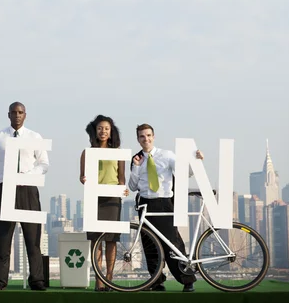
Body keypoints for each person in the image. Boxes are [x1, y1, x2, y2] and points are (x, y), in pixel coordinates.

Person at [128, 123, 203, 293]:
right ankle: (156, 282)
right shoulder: (136, 159)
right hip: (145, 204)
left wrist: (197, 160)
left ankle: (187, 280)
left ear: (153, 137)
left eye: (148, 135)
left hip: (164, 203)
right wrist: (137, 167)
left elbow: (185, 172)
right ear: (138, 140)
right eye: (142, 136)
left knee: (173, 244)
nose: (145, 139)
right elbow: (132, 186)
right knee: (149, 245)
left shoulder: (167, 155)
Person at [0, 102, 49, 291]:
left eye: (20, 112)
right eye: (14, 112)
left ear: (25, 115)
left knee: (33, 238)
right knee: (3, 238)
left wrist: (27, 176)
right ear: (8, 115)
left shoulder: (34, 137)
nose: (17, 115)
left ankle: (37, 280)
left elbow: (44, 164)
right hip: (4, 191)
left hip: (28, 190)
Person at [79, 115, 129, 291]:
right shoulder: (87, 152)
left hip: (112, 199)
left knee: (111, 240)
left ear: (111, 131)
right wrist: (84, 179)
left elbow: (121, 178)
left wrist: (124, 189)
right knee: (96, 240)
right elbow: (82, 177)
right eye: (100, 128)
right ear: (95, 130)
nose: (103, 131)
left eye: (106, 128)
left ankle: (109, 276)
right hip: (94, 198)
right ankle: (98, 279)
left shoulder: (118, 152)